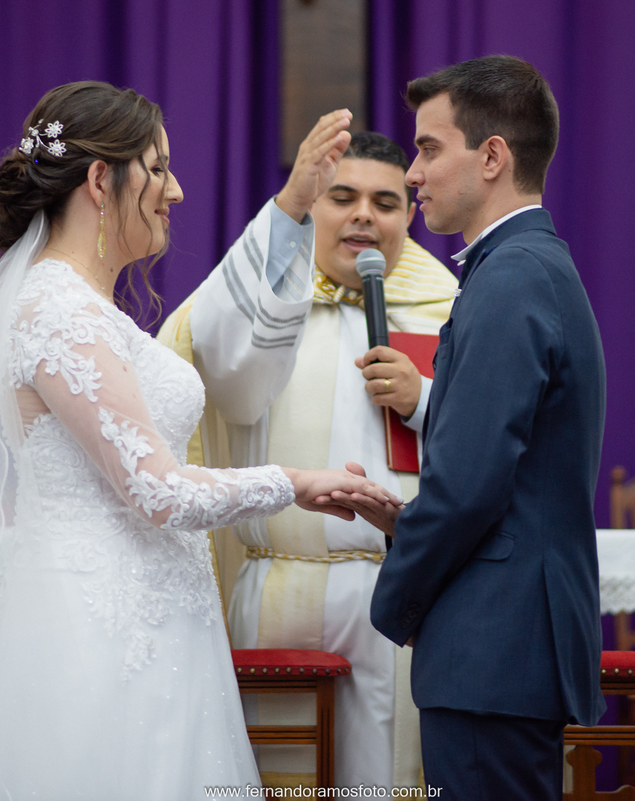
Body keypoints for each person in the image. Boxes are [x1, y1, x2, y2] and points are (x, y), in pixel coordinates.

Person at [0, 81, 398, 800]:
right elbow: (159, 489)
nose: (178, 191)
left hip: (156, 623)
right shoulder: (56, 309)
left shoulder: (85, 308)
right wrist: (295, 481)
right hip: (93, 634)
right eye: (158, 168)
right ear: (102, 178)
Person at [337, 56, 608, 799]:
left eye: (429, 148)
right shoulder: (522, 268)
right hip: (507, 643)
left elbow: (467, 486)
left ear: (492, 157)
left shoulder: (511, 277)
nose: (414, 174)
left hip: (496, 647)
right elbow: (499, 470)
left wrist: (393, 599)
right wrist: (404, 517)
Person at [157, 124, 456, 787]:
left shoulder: (447, 313)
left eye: (385, 203)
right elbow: (223, 377)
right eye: (339, 196)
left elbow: (487, 446)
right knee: (276, 777)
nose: (363, 216)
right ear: (310, 207)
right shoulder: (269, 304)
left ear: (410, 216)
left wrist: (424, 399)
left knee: (381, 777)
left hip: (393, 591)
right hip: (279, 588)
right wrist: (284, 215)